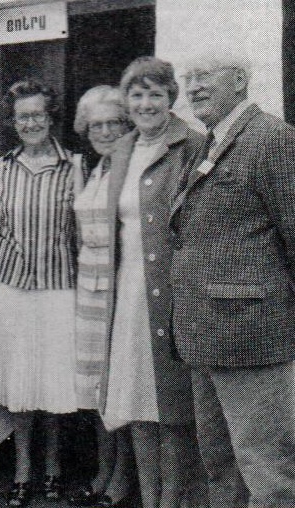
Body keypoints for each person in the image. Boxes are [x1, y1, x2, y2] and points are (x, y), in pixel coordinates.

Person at [172, 51, 295, 507]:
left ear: (240, 80)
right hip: (207, 336)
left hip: (254, 335)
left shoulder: (272, 139)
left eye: (204, 75)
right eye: (189, 77)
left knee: (269, 472)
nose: (194, 86)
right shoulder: (210, 141)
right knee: (222, 467)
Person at [98, 57, 205, 508]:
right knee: (137, 404)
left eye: (155, 94)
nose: (146, 104)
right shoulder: (121, 149)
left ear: (170, 99)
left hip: (170, 294)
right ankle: (149, 497)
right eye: (137, 95)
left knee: (175, 409)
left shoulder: (193, 146)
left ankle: (172, 502)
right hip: (127, 295)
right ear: (126, 101)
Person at [0, 78, 82, 506]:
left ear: (51, 118)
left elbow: (82, 236)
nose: (30, 123)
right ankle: (22, 469)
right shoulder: (2, 168)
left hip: (58, 291)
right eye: (22, 117)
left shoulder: (75, 166)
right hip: (10, 291)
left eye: (37, 115)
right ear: (12, 123)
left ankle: (52, 468)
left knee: (52, 384)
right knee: (18, 383)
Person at [69, 85, 134, 508]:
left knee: (121, 386)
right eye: (96, 124)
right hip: (87, 290)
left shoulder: (129, 168)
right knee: (95, 389)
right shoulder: (94, 168)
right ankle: (102, 468)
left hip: (119, 286)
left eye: (113, 123)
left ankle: (122, 477)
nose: (105, 131)